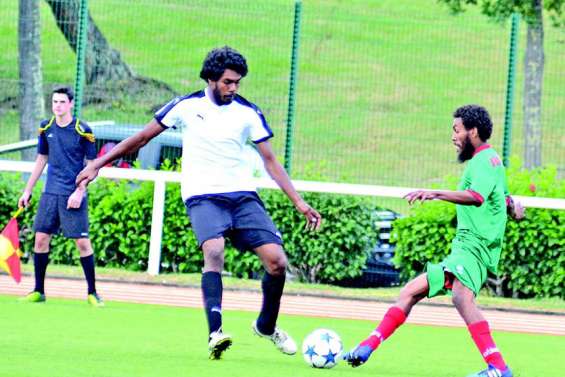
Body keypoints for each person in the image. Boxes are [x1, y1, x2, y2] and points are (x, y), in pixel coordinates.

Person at [76, 46, 322, 359]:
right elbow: (141, 138)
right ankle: (215, 334)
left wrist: (299, 202)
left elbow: (271, 161)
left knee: (277, 263)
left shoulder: (248, 112)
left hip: (243, 196)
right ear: (210, 78)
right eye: (228, 82)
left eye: (238, 82)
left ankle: (266, 326)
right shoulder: (185, 107)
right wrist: (98, 164)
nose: (234, 87)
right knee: (214, 250)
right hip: (203, 196)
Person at [343, 105, 524, 377]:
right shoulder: (489, 161)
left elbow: (477, 197)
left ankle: (499, 368)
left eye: (457, 129)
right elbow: (504, 198)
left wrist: (435, 193)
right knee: (410, 291)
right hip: (464, 248)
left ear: (472, 131)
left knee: (462, 297)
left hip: (475, 247)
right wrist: (513, 207)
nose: (453, 136)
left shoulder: (485, 161)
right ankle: (366, 347)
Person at [18, 86, 104, 307]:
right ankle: (38, 290)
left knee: (82, 243)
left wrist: (79, 191)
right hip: (50, 193)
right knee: (40, 239)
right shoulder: (45, 127)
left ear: (71, 104)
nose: (57, 106)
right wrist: (27, 190)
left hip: (72, 194)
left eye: (62, 102)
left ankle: (93, 293)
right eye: (54, 102)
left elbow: (92, 166)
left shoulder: (83, 130)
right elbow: (41, 159)